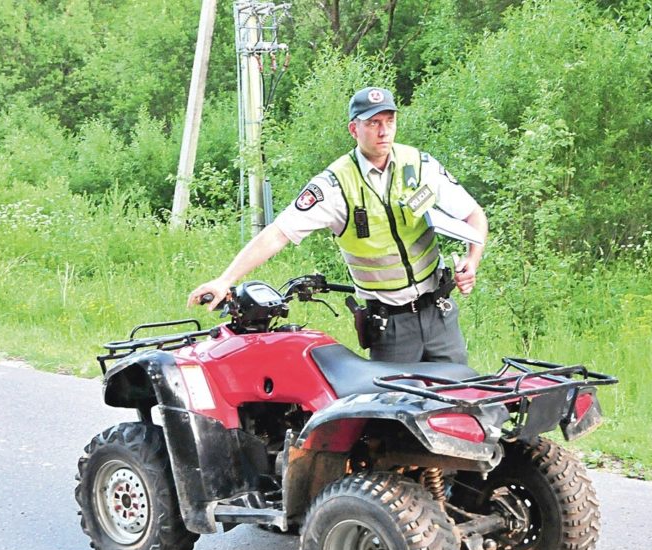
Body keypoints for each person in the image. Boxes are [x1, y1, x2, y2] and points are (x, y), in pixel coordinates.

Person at [187, 86, 488, 364]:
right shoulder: (334, 185)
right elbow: (278, 233)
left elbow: (473, 214)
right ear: (354, 129)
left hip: (440, 315)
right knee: (395, 405)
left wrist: (471, 261)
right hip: (391, 327)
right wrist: (225, 280)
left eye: (389, 121)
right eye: (373, 123)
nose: (384, 131)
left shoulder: (420, 165)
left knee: (461, 399)